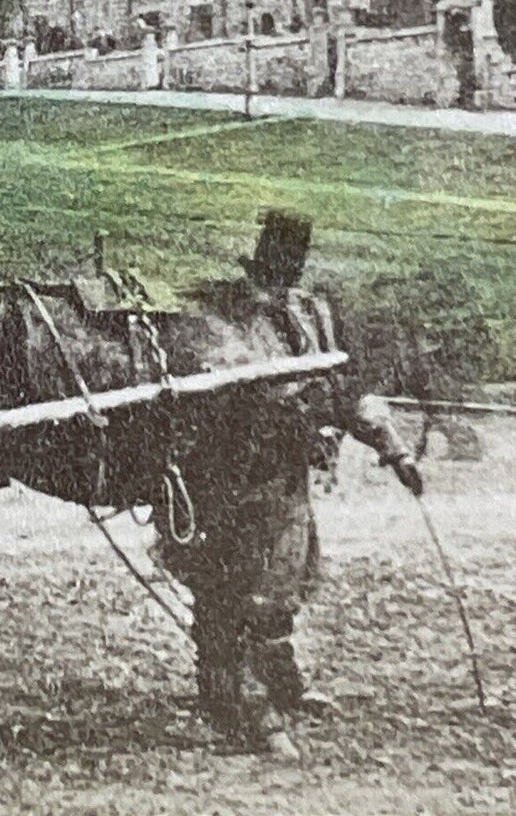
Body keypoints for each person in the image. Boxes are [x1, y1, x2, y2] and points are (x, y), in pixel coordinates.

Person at [159, 210, 422, 748]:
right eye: (281, 255)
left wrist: (395, 452)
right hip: (236, 471)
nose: (289, 267)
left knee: (286, 576)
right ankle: (235, 690)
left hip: (289, 472)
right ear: (263, 256)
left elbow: (344, 384)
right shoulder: (224, 314)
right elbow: (240, 388)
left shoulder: (310, 312)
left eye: (296, 256)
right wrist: (310, 401)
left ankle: (280, 680)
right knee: (241, 580)